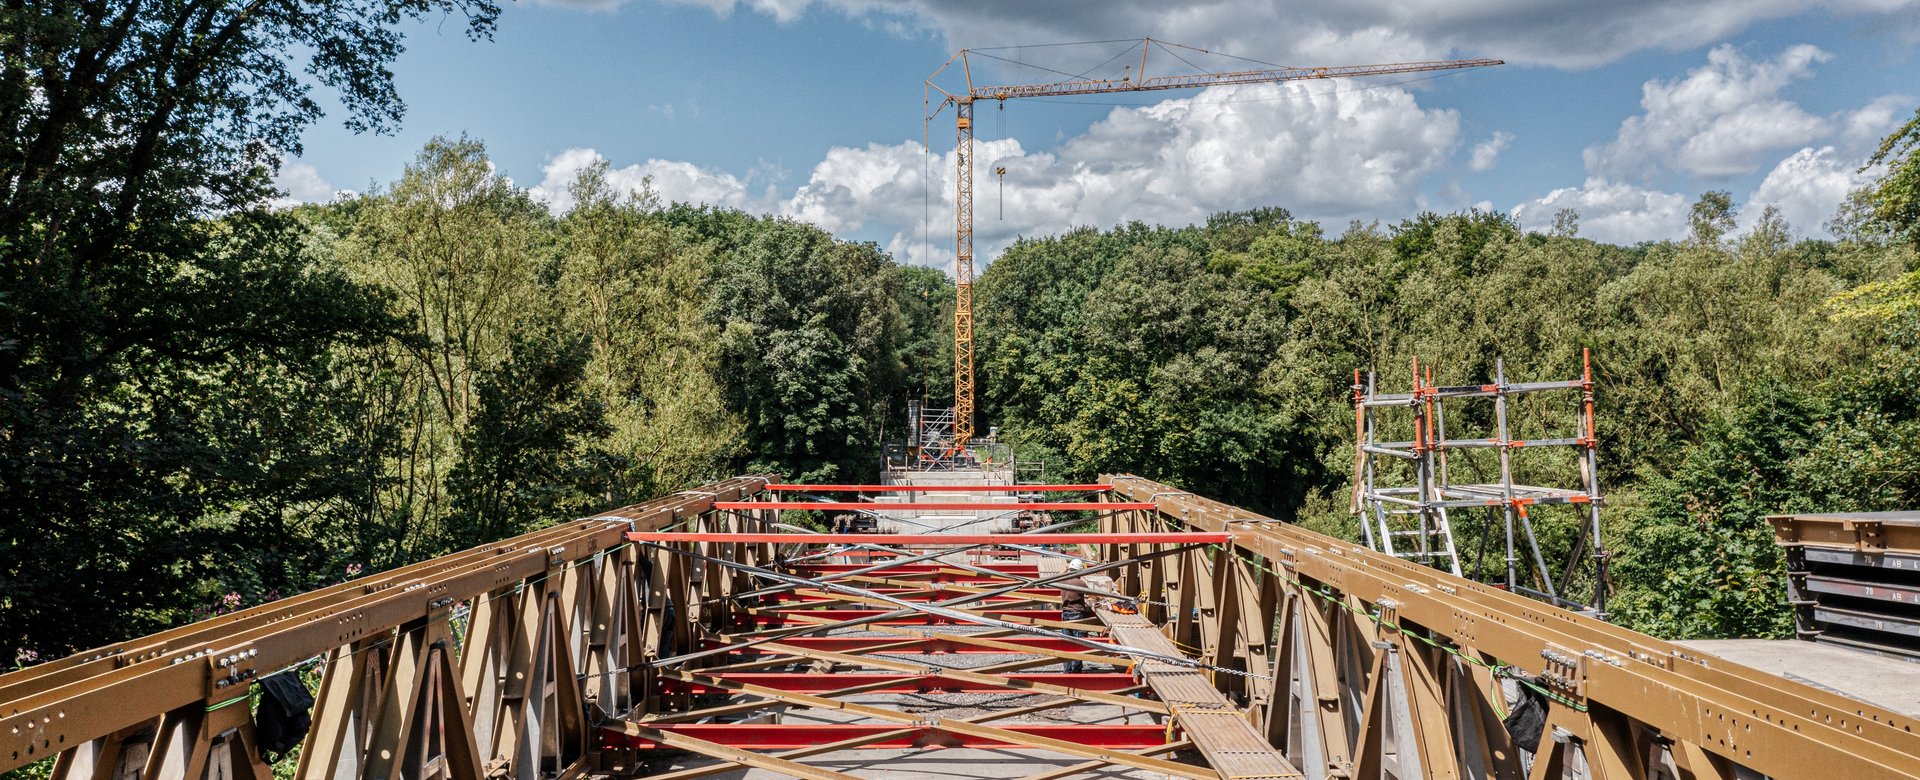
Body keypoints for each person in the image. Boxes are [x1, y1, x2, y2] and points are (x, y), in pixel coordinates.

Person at [1060, 559, 1091, 673]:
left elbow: (1054, 578)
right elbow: (1092, 595)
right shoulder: (1080, 583)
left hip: (1065, 614)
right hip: (1077, 614)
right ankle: (1076, 670)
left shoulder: (1062, 581)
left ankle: (1067, 670)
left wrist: (1064, 571)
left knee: (1067, 642)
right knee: (1078, 642)